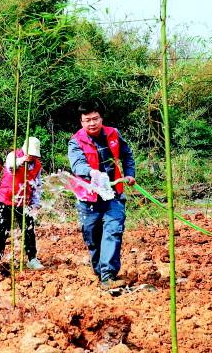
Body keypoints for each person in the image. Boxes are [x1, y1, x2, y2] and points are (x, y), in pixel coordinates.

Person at [67, 102, 136, 289]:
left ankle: (108, 275)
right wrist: (92, 173)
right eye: (87, 120)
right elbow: (77, 166)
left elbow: (127, 154)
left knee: (113, 231)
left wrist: (130, 174)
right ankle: (100, 271)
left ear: (101, 119)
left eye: (95, 119)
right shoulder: (76, 141)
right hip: (88, 199)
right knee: (93, 237)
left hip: (113, 194)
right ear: (81, 122)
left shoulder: (113, 134)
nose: (92, 123)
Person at [0, 137, 44, 270]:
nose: (32, 157)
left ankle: (32, 258)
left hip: (24, 201)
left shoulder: (37, 165)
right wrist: (22, 160)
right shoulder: (13, 155)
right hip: (7, 198)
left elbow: (37, 185)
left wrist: (35, 203)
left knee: (29, 229)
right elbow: (11, 167)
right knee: (2, 229)